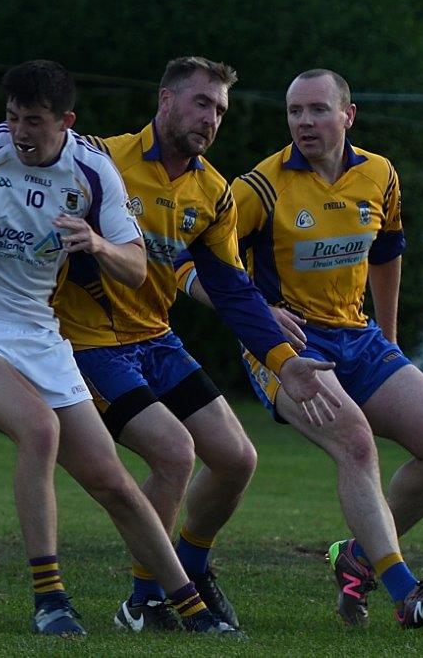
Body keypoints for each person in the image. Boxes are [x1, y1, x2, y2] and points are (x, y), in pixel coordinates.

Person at [0, 59, 242, 638]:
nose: (19, 132)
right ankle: (50, 600)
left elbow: (134, 267)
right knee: (40, 429)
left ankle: (189, 607)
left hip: (40, 333)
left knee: (112, 480)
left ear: (66, 121)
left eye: (33, 120)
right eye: (12, 117)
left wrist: (98, 243)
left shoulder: (94, 171)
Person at [48, 56, 339, 632]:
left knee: (236, 459)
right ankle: (145, 599)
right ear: (165, 100)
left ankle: (190, 565)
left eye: (221, 110)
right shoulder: (98, 159)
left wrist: (283, 363)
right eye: (202, 103)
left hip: (155, 340)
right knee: (175, 453)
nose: (212, 118)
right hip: (87, 345)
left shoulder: (213, 191)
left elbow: (233, 291)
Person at [180, 68, 423, 631]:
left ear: (348, 115)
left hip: (359, 339)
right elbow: (188, 261)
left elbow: (388, 252)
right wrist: (259, 314)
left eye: (317, 110)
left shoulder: (380, 174)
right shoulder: (259, 187)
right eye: (294, 112)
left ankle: (358, 558)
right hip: (287, 347)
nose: (304, 123)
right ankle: (405, 592)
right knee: (356, 443)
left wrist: (388, 339)